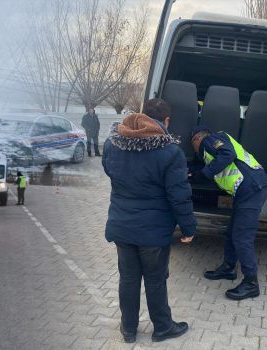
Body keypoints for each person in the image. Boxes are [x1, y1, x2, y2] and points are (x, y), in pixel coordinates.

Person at [102, 98, 196, 343]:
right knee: (155, 279)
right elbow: (179, 196)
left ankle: (128, 329)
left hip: (122, 225)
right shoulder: (170, 153)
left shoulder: (113, 145)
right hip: (153, 231)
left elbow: (109, 170)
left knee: (129, 278)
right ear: (165, 121)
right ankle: (163, 327)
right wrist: (188, 227)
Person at [189, 126, 267, 300]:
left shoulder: (209, 140)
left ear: (197, 138)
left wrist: (204, 174)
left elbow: (228, 155)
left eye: (192, 145)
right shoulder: (210, 149)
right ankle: (228, 268)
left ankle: (251, 283)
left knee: (242, 237)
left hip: (252, 188)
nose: (194, 150)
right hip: (247, 190)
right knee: (232, 232)